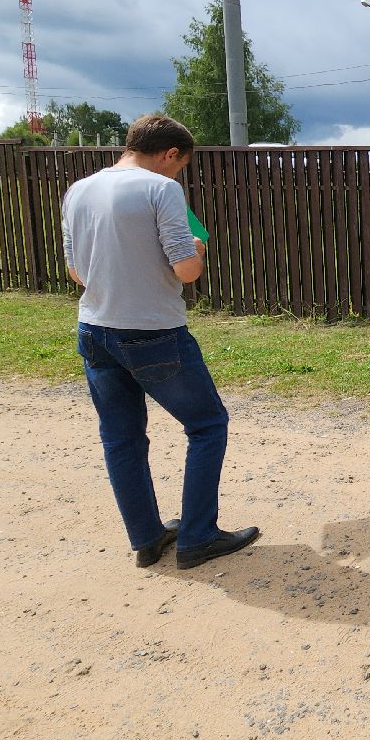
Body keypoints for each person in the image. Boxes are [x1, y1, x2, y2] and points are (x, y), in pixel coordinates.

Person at [60, 113, 259, 570]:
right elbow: (186, 270)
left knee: (121, 437)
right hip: (152, 331)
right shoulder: (161, 188)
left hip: (94, 329)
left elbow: (76, 272)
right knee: (207, 425)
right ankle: (198, 537)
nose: (177, 173)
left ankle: (147, 539)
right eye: (180, 164)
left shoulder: (79, 189)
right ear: (170, 153)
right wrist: (198, 247)